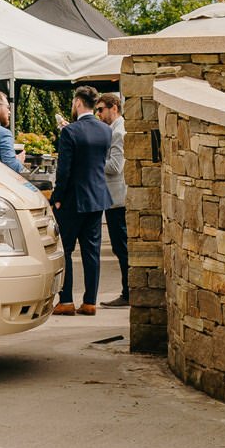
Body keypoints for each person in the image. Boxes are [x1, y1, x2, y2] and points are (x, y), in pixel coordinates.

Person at [50, 84, 111, 316]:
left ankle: (66, 300)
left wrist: (57, 198)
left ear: (77, 102)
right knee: (91, 251)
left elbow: (64, 171)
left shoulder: (70, 132)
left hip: (73, 199)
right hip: (97, 198)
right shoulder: (106, 130)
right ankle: (90, 301)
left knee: (65, 249)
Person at [96, 91, 129, 306]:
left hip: (118, 198)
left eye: (101, 109)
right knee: (120, 247)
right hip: (113, 198)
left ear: (113, 108)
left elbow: (116, 167)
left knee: (121, 247)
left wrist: (93, 162)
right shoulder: (112, 130)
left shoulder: (118, 132)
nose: (98, 114)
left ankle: (128, 293)